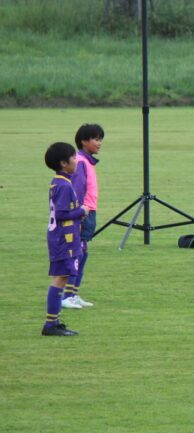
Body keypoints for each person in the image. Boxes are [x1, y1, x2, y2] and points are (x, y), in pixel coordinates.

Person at [43, 142, 88, 336]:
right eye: (73, 157)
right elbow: (61, 214)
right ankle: (50, 324)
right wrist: (81, 211)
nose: (76, 160)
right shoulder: (63, 185)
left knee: (61, 277)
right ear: (63, 163)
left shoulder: (60, 181)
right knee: (60, 278)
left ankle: (54, 321)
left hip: (61, 237)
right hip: (63, 239)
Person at [64, 123, 104, 309]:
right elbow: (78, 191)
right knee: (78, 254)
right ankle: (68, 296)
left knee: (83, 253)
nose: (99, 143)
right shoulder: (81, 162)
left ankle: (73, 293)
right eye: (96, 139)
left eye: (100, 139)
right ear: (83, 141)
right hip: (83, 213)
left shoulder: (86, 161)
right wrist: (78, 216)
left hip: (88, 212)